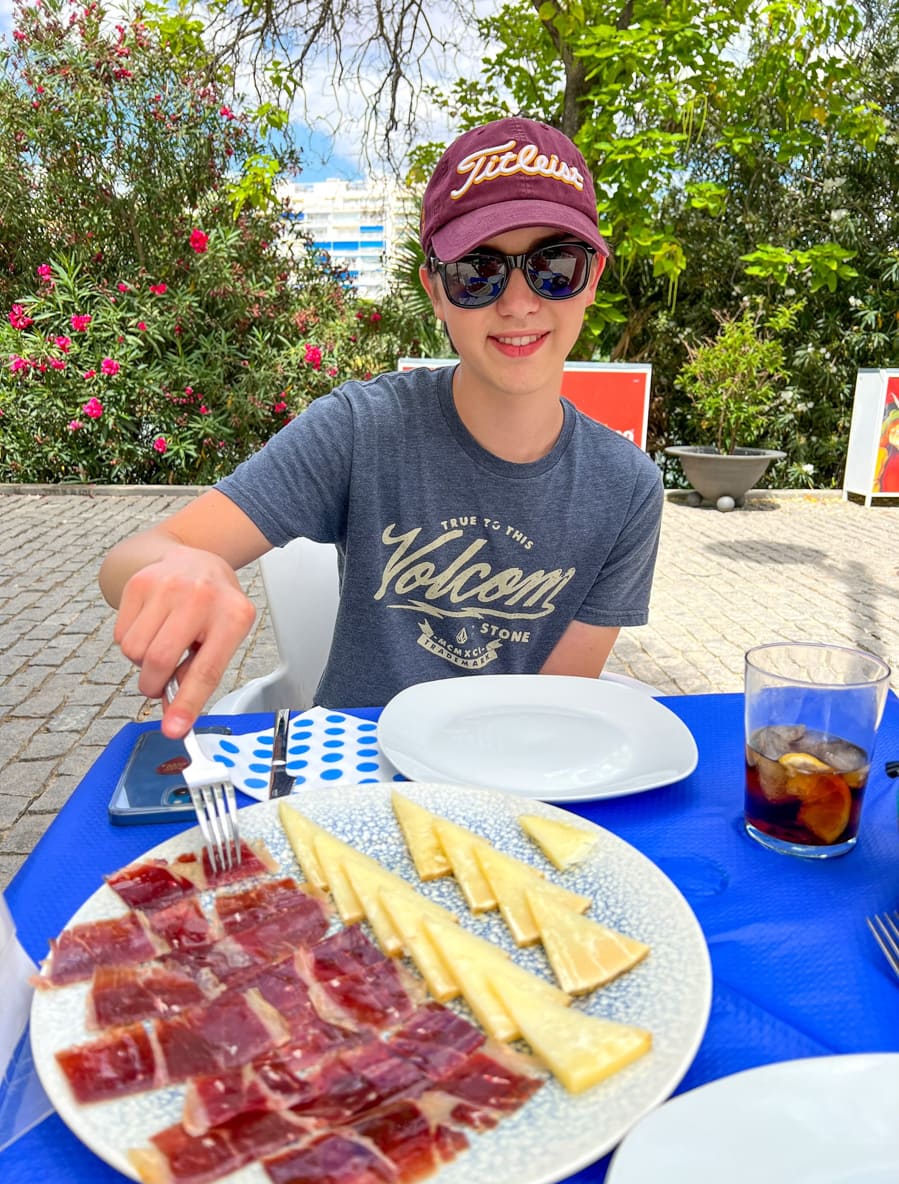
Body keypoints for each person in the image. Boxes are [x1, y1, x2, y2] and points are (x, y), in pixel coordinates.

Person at [99, 115, 664, 740]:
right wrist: (183, 567)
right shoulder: (361, 428)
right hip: (352, 767)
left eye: (555, 265)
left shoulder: (627, 488)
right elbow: (129, 561)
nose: (518, 303)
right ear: (435, 290)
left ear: (593, 281)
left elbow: (553, 709)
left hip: (517, 769)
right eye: (477, 272)